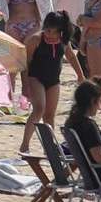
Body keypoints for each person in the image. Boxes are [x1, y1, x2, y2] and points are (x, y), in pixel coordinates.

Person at [23, 12, 72, 156]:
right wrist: (25, 84)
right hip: (35, 77)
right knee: (39, 109)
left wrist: (81, 75)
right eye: (48, 30)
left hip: (54, 80)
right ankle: (24, 145)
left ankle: (49, 148)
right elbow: (26, 62)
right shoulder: (35, 40)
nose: (50, 34)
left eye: (54, 31)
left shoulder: (63, 40)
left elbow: (71, 56)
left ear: (60, 31)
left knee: (50, 115)